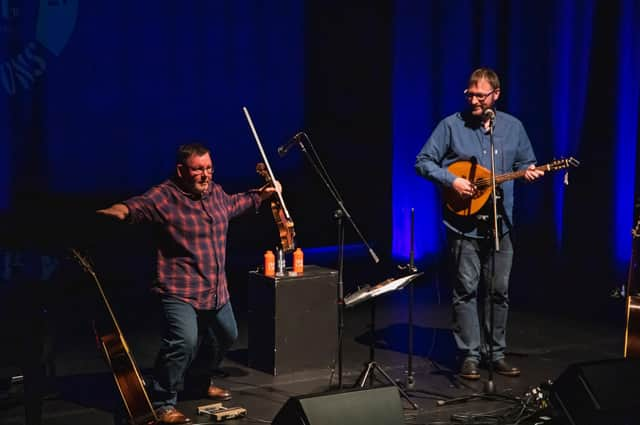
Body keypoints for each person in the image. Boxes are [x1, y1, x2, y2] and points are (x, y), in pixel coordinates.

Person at [97, 143, 279, 424]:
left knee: (226, 335)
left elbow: (235, 204)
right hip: (178, 290)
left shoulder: (216, 193)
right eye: (198, 169)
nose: (205, 175)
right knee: (183, 341)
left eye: (208, 168)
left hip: (216, 290)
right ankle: (162, 401)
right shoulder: (165, 196)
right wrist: (116, 211)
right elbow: (136, 206)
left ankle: (198, 382)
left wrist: (264, 194)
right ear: (182, 170)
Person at [415, 68, 544, 380]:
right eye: (469, 95)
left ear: (495, 95)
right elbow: (423, 162)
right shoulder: (451, 125)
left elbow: (525, 162)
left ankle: (495, 353)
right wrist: (453, 180)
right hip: (464, 224)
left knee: (499, 291)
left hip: (502, 223)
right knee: (466, 289)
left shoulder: (513, 127)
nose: (473, 100)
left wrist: (529, 171)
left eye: (480, 96)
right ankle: (470, 355)